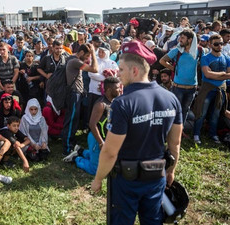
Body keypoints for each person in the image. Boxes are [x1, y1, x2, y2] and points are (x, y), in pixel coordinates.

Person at [90, 41, 182, 225]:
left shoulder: (122, 103)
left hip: (126, 181)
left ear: (134, 71)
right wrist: (171, 171)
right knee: (153, 220)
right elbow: (175, 144)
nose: (118, 73)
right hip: (156, 175)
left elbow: (110, 151)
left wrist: (98, 178)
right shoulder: (171, 98)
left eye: (121, 69)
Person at [63, 77, 121, 176]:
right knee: (95, 169)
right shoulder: (101, 104)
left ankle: (80, 151)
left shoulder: (114, 101)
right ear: (109, 90)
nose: (120, 90)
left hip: (105, 138)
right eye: (118, 88)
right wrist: (101, 143)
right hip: (96, 138)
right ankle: (76, 158)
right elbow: (92, 124)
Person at [192, 34, 230, 144]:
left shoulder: (226, 58)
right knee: (201, 113)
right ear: (210, 44)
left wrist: (219, 75)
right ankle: (196, 134)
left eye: (221, 43)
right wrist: (223, 74)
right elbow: (207, 74)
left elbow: (228, 74)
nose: (220, 46)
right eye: (217, 44)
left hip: (221, 89)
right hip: (207, 89)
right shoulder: (205, 57)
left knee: (216, 114)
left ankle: (213, 134)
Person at [62, 43, 98, 156]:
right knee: (71, 120)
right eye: (87, 56)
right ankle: (67, 148)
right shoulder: (75, 62)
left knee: (74, 120)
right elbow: (95, 69)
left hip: (75, 93)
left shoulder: (72, 58)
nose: (88, 58)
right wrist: (93, 53)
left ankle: (71, 143)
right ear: (81, 53)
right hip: (74, 93)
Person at [159, 29, 199, 125]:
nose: (179, 40)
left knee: (185, 110)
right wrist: (173, 68)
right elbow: (162, 60)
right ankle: (171, 130)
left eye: (182, 38)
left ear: (190, 40)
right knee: (175, 110)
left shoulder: (199, 51)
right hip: (178, 88)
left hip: (192, 88)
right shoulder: (177, 51)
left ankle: (180, 131)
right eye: (179, 37)